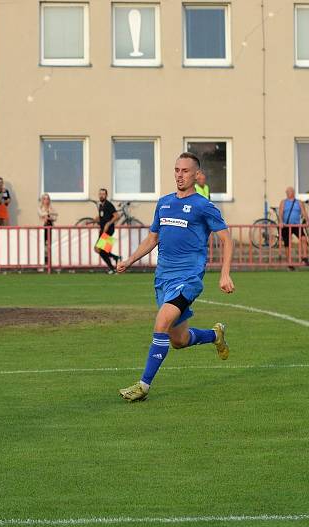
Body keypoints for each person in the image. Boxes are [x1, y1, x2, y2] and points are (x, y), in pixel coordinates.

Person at [117, 152, 234, 403]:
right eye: (177, 170)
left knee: (160, 324)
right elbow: (152, 238)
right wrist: (129, 260)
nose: (180, 175)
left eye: (185, 171)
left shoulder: (203, 205)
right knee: (178, 340)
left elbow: (226, 239)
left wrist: (224, 273)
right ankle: (215, 335)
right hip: (163, 279)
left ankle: (143, 386)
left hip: (188, 279)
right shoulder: (164, 202)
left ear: (196, 175)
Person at [92, 188, 121, 273]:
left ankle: (113, 267)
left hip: (108, 230)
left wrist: (108, 224)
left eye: (103, 194)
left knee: (98, 249)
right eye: (100, 194)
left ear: (106, 195)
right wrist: (95, 220)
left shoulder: (108, 204)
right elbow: (102, 216)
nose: (101, 195)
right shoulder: (101, 205)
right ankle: (115, 260)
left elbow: (116, 216)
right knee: (102, 251)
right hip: (103, 230)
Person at [279, 186, 309, 266]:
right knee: (287, 244)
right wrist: (281, 221)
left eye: (289, 192)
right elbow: (281, 213)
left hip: (296, 225)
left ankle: (305, 258)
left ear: (293, 193)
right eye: (287, 192)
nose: (287, 193)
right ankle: (289, 262)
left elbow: (304, 212)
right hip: (286, 225)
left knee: (303, 239)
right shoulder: (283, 202)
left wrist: (308, 221)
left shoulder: (298, 202)